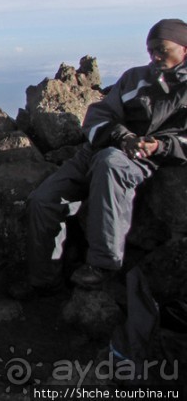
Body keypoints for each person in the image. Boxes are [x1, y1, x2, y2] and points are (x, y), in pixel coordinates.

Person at [20, 18, 187, 297]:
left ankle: (101, 265)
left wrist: (159, 146)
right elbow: (98, 115)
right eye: (150, 51)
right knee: (43, 200)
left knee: (110, 163)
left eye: (162, 49)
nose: (154, 57)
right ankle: (43, 280)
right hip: (99, 149)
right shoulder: (135, 77)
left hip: (139, 158)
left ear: (184, 48)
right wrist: (122, 136)